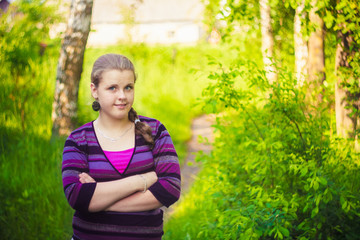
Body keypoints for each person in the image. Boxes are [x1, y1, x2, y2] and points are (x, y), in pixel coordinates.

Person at [62, 53, 181, 240]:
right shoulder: (78, 139)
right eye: (112, 88)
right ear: (94, 90)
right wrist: (141, 180)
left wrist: (101, 201)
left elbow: (170, 188)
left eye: (128, 87)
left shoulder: (155, 131)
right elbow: (78, 197)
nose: (122, 96)